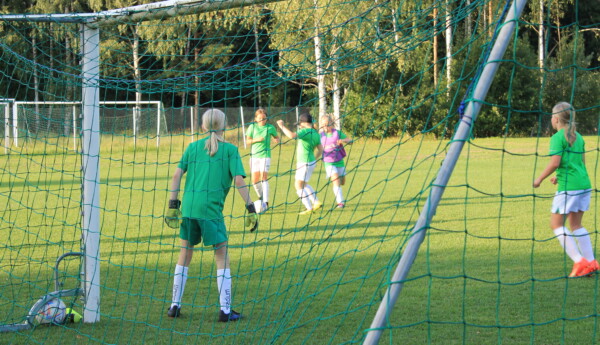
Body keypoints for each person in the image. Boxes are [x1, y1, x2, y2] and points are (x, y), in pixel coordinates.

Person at [164, 109, 258, 322]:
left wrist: (172, 204)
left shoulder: (192, 147)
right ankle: (225, 310)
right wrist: (251, 207)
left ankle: (174, 306)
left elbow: (176, 174)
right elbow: (240, 181)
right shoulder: (230, 150)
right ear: (224, 126)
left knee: (184, 254)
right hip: (210, 211)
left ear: (203, 126)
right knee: (221, 255)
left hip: (188, 209)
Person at [533, 102, 598, 278]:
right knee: (576, 225)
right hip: (584, 185)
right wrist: (559, 175)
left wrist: (539, 179)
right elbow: (579, 163)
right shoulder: (578, 136)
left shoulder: (557, 137)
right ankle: (591, 262)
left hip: (569, 187)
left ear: (555, 119)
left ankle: (579, 261)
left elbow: (555, 162)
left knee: (556, 224)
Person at [277, 113, 323, 215]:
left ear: (303, 123)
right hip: (310, 161)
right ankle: (316, 202)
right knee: (304, 184)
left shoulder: (305, 131)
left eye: (299, 124)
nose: (299, 126)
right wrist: (314, 159)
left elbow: (292, 135)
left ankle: (309, 208)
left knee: (298, 185)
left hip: (304, 162)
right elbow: (321, 149)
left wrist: (281, 126)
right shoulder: (316, 133)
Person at [246, 108, 280, 208]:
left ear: (266, 118)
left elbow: (276, 137)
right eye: (260, 118)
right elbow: (248, 141)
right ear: (256, 119)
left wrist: (276, 139)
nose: (262, 120)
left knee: (263, 177)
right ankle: (261, 197)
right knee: (254, 181)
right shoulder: (252, 127)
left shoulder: (270, 127)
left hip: (265, 156)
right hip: (254, 156)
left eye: (264, 118)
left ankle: (265, 202)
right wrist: (257, 140)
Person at [319, 114, 352, 208]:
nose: (325, 126)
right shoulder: (320, 135)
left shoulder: (337, 133)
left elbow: (351, 141)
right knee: (335, 179)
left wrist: (343, 141)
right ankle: (340, 202)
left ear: (332, 124)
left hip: (339, 160)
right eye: (323, 124)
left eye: (327, 124)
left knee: (342, 181)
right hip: (328, 162)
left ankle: (340, 196)